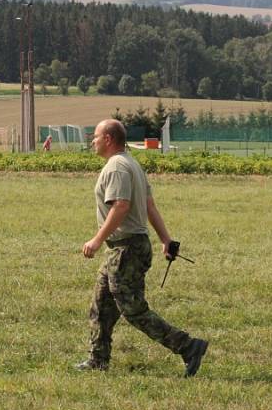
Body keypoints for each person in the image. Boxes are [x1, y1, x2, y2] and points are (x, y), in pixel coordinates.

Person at [78, 119, 208, 377]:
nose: (92, 141)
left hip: (126, 249)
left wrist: (96, 240)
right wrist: (165, 240)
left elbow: (121, 206)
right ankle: (98, 359)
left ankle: (187, 346)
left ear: (108, 139)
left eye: (95, 136)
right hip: (126, 248)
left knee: (133, 310)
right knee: (101, 306)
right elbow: (149, 206)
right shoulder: (132, 164)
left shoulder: (116, 167)